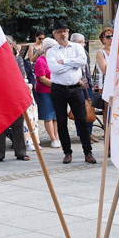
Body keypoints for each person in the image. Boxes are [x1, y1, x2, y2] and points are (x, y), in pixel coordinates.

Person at [46, 19, 96, 164]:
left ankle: (88, 152)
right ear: (54, 34)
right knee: (61, 121)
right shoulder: (51, 52)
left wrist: (64, 62)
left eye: (65, 31)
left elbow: (82, 61)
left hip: (75, 88)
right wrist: (72, 64)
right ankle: (67, 152)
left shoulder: (77, 47)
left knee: (82, 120)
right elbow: (54, 69)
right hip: (58, 90)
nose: (63, 34)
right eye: (60, 32)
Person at [0, 39, 30, 163]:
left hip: (14, 96)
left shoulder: (18, 60)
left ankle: (21, 152)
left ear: (12, 46)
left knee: (18, 124)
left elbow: (21, 76)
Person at [71, 32, 98, 143]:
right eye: (83, 42)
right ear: (76, 43)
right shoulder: (70, 54)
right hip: (76, 86)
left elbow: (87, 70)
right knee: (79, 112)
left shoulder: (85, 53)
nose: (84, 44)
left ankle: (89, 133)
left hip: (87, 86)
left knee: (90, 110)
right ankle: (83, 135)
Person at [35, 37, 60, 148]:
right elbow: (42, 78)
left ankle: (57, 136)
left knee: (56, 116)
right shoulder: (40, 61)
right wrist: (56, 84)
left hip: (56, 91)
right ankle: (53, 138)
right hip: (44, 92)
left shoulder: (54, 59)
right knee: (48, 116)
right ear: (47, 49)